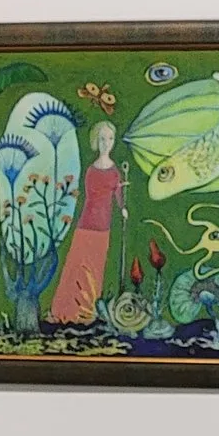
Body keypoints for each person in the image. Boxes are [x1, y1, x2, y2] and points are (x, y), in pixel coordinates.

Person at [49, 118, 126, 325]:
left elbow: (118, 195)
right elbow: (94, 196)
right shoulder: (91, 170)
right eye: (102, 139)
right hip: (86, 224)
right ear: (95, 142)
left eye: (110, 139)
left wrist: (123, 207)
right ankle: (65, 310)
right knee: (77, 265)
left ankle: (86, 311)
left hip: (103, 227)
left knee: (95, 268)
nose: (106, 143)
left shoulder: (115, 171)